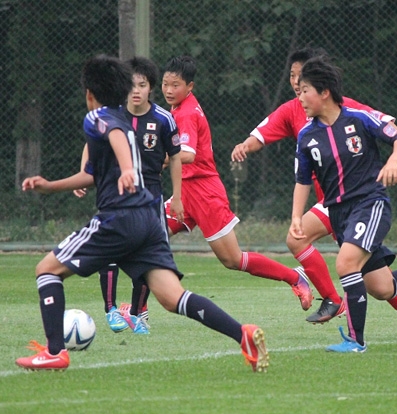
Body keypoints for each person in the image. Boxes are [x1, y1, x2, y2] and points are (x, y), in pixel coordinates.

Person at [16, 55, 269, 372]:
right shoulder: (124, 118)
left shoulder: (100, 118)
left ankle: (55, 352)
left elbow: (116, 138)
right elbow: (93, 174)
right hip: (149, 220)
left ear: (90, 94)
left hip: (118, 218)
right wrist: (50, 186)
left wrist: (126, 169)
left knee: (47, 270)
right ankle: (241, 334)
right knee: (172, 297)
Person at [232, 47, 397, 334]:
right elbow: (264, 134)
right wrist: (245, 145)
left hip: (359, 197)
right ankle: (348, 301)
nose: (296, 83)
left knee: (361, 272)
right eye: (293, 77)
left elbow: (381, 123)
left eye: (302, 77)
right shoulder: (293, 111)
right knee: (365, 275)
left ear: (321, 87)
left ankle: (359, 320)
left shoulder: (342, 107)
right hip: (331, 203)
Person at [290, 56, 397, 353]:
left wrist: (394, 162)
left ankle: (356, 342)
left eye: (305, 89)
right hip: (340, 213)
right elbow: (302, 180)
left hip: (371, 203)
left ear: (324, 92)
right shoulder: (307, 136)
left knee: (345, 263)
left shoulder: (358, 119)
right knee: (382, 287)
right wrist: (295, 216)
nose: (299, 95)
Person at [161, 55, 314, 311]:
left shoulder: (186, 112)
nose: (168, 90)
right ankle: (136, 312)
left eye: (175, 85)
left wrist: (157, 158)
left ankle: (294, 276)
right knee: (150, 237)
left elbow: (188, 154)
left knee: (232, 259)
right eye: (165, 84)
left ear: (190, 87)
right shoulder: (178, 108)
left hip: (204, 193)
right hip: (187, 191)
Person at [92, 56, 184, 335]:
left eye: (141, 85)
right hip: (116, 195)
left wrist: (177, 197)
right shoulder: (113, 115)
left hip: (151, 197)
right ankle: (110, 310)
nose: (135, 90)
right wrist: (86, 176)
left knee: (150, 258)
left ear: (150, 88)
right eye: (131, 84)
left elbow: (176, 158)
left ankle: (137, 313)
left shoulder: (163, 119)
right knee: (108, 250)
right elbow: (95, 146)